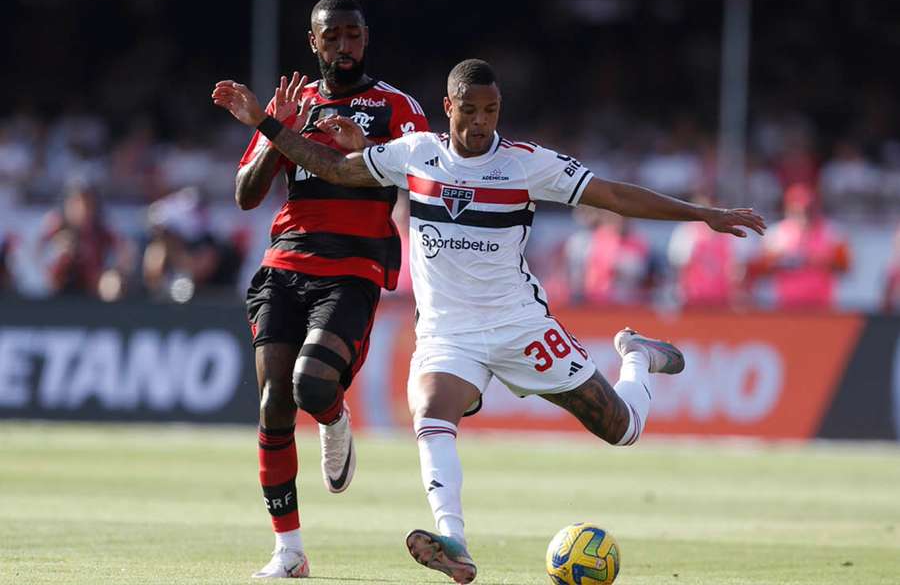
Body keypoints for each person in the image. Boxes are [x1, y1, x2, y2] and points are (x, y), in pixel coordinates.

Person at [213, 58, 765, 584]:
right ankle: (454, 542)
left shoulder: (526, 163)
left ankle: (637, 357)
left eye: (491, 111)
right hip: (448, 334)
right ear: (447, 106)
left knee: (621, 429)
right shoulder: (414, 153)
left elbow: (615, 195)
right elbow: (333, 167)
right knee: (430, 412)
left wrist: (705, 214)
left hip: (520, 327)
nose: (480, 123)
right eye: (470, 111)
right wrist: (264, 124)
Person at [223, 0, 429, 579]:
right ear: (314, 43)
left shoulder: (395, 106)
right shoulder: (296, 104)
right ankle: (289, 552)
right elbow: (245, 194)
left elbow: (423, 174)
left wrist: (365, 150)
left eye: (353, 35)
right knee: (272, 406)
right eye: (332, 36)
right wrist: (276, 129)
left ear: (366, 39)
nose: (344, 46)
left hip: (353, 267)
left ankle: (334, 419)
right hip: (286, 263)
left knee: (312, 385)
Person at [749, 182, 850, 309]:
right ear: (788, 208)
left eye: (808, 209)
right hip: (787, 305)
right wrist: (782, 260)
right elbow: (760, 270)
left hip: (822, 305)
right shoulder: (776, 234)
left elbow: (845, 266)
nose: (804, 214)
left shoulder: (832, 232)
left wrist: (820, 260)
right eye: (798, 209)